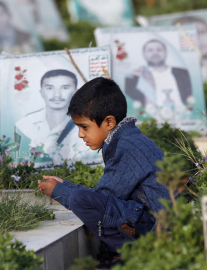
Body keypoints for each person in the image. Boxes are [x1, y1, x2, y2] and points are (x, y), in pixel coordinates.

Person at [38, 77, 170, 267]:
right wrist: (65, 185)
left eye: (84, 127)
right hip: (148, 220)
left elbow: (103, 197)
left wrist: (60, 191)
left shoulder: (128, 146)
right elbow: (107, 195)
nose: (80, 134)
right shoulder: (125, 140)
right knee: (82, 197)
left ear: (108, 122)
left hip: (158, 231)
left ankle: (134, 255)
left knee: (79, 200)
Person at [14, 69, 88, 163]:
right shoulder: (25, 124)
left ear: (76, 92)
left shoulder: (86, 124)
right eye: (49, 88)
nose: (57, 94)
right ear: (41, 92)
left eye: (65, 88)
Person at [125, 39, 192, 115]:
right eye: (150, 50)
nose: (155, 53)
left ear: (166, 53)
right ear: (144, 54)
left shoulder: (184, 73)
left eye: (159, 49)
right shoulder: (135, 77)